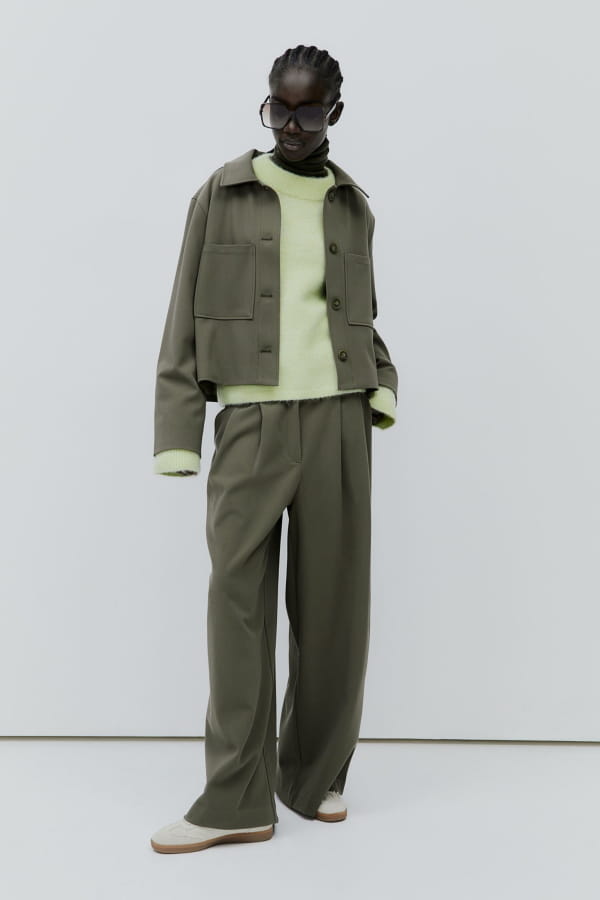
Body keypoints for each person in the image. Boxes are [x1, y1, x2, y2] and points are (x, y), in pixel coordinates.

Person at [150, 43, 398, 854]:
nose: (290, 125)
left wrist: (382, 383)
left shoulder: (352, 205)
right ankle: (235, 798)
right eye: (278, 108)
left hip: (339, 418)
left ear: (335, 111)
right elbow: (182, 313)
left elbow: (359, 313)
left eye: (308, 110)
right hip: (251, 423)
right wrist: (178, 430)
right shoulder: (222, 193)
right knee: (237, 605)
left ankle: (314, 774)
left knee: (334, 611)